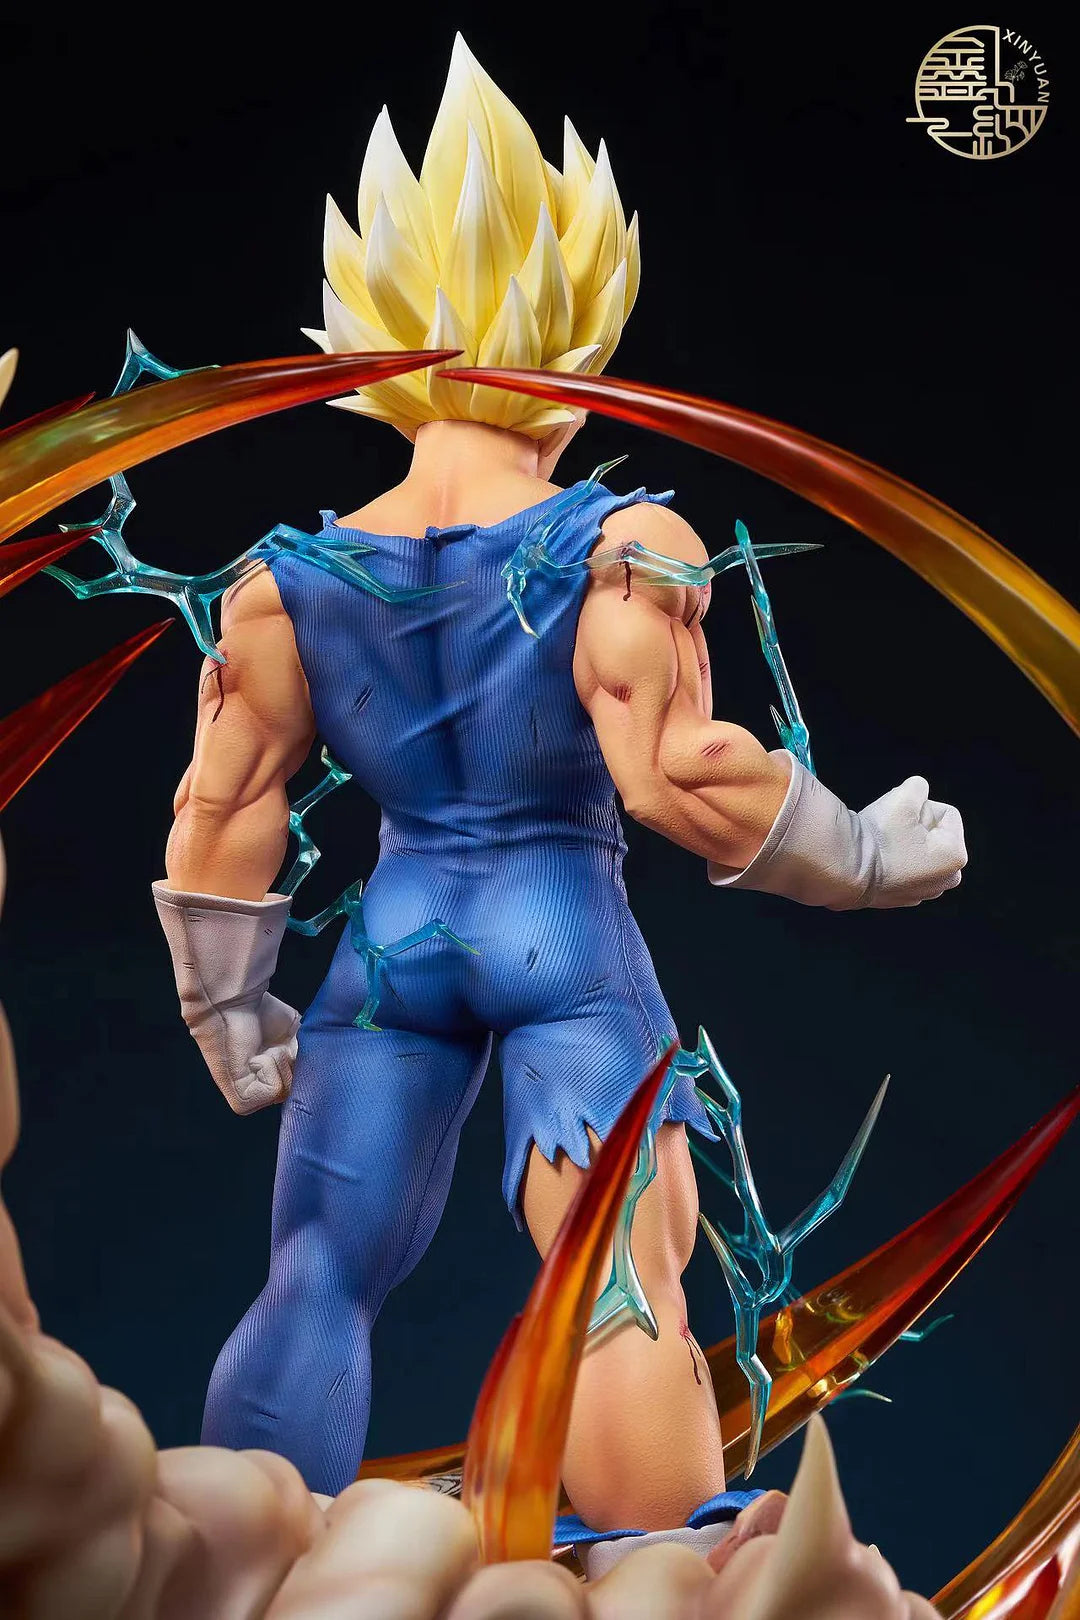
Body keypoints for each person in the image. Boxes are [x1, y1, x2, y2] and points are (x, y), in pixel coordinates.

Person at [152, 36, 966, 1567]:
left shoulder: (288, 580)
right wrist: (862, 851)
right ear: (575, 338)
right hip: (558, 938)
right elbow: (676, 779)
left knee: (317, 1270)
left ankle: (236, 1566)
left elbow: (225, 802)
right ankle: (658, 1576)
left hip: (395, 944)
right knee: (612, 1273)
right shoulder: (620, 543)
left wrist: (227, 1003)